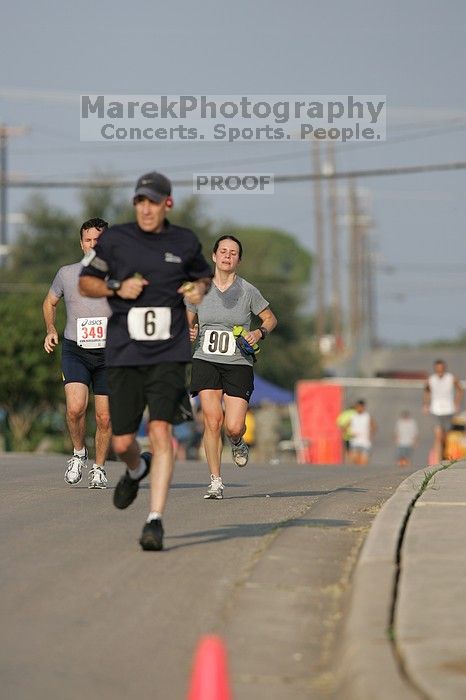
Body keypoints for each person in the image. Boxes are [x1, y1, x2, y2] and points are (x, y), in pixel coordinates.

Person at [79, 171, 212, 551]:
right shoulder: (117, 239)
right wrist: (117, 286)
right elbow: (87, 282)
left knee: (159, 431)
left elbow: (201, 278)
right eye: (140, 201)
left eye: (153, 202)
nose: (146, 208)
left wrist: (196, 289)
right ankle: (137, 469)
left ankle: (155, 520)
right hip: (124, 351)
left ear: (167, 203)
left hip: (168, 353)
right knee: (122, 442)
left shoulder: (184, 241)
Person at [186, 234, 277, 499]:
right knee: (212, 420)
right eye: (223, 251)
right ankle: (215, 480)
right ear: (214, 256)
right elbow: (187, 321)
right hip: (205, 359)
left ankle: (237, 442)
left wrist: (259, 333)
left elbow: (270, 319)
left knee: (234, 426)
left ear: (239, 259)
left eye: (233, 252)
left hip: (238, 362)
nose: (227, 256)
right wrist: (189, 332)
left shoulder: (248, 291)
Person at [43, 218, 112, 488]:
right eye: (89, 240)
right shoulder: (67, 273)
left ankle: (99, 468)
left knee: (104, 417)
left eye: (99, 239)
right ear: (82, 243)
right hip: (76, 348)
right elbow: (49, 303)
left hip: (109, 354)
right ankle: (79, 454)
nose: (94, 244)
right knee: (75, 408)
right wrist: (50, 329)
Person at [423, 359, 463, 462]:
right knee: (438, 435)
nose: (439, 371)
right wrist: (426, 404)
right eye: (437, 369)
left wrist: (457, 403)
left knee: (445, 436)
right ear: (435, 369)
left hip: (449, 410)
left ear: (444, 368)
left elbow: (460, 389)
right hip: (435, 410)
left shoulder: (451, 378)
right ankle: (437, 462)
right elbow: (426, 391)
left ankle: (445, 457)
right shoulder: (431, 379)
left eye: (441, 369)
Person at [348, 399, 377, 466]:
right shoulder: (353, 416)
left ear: (363, 407)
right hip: (355, 441)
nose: (358, 409)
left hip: (365, 442)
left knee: (363, 462)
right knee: (354, 461)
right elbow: (346, 427)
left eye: (360, 407)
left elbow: (374, 426)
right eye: (357, 407)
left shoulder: (367, 416)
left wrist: (370, 434)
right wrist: (350, 433)